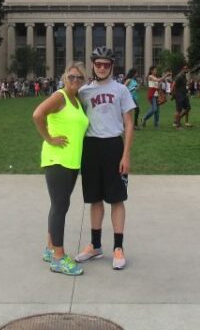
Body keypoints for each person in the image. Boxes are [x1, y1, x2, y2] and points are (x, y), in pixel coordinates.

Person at [75, 46, 135, 271]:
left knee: (117, 198)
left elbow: (129, 123)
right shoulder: (84, 91)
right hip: (91, 147)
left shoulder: (121, 90)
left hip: (113, 146)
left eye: (106, 64)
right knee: (95, 198)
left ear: (111, 66)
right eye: (98, 64)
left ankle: (118, 247)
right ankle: (95, 245)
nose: (101, 68)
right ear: (92, 65)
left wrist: (125, 155)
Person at [32, 62, 89, 276]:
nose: (75, 80)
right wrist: (49, 138)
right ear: (65, 77)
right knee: (60, 206)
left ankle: (50, 248)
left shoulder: (77, 100)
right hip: (57, 160)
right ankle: (58, 258)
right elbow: (38, 114)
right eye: (71, 76)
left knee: (60, 206)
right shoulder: (60, 96)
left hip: (72, 162)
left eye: (79, 77)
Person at [172, 63, 192, 129]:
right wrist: (173, 94)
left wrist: (187, 87)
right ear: (182, 69)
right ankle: (177, 126)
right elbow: (173, 85)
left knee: (188, 108)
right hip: (179, 95)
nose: (187, 69)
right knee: (179, 110)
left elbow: (183, 85)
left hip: (184, 95)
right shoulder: (179, 76)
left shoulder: (184, 76)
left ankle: (177, 120)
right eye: (185, 68)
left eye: (188, 68)